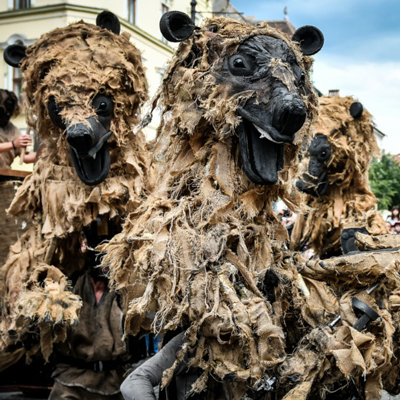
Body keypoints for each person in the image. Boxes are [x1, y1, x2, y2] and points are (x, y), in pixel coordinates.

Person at [0, 89, 36, 168]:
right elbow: (15, 145)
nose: (7, 115)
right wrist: (13, 144)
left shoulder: (13, 130)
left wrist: (43, 154)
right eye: (4, 111)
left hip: (5, 174)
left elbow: (25, 157)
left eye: (10, 111)